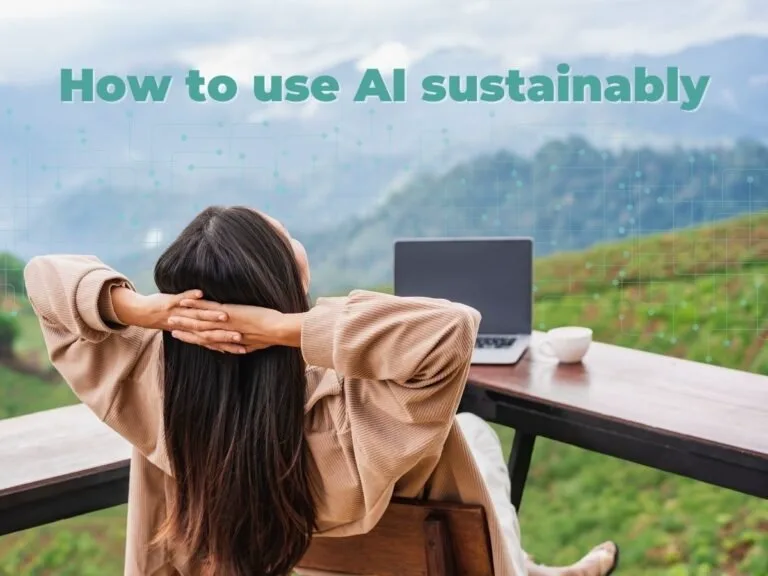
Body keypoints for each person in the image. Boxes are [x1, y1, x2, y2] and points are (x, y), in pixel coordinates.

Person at [24, 206, 619, 576]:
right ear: (288, 281)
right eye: (280, 236)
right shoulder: (354, 409)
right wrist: (286, 330)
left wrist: (139, 309)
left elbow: (44, 278)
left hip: (287, 558)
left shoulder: (152, 392)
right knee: (472, 435)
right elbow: (453, 327)